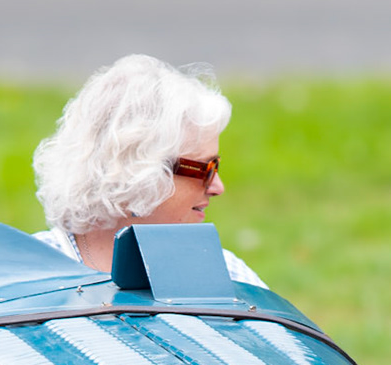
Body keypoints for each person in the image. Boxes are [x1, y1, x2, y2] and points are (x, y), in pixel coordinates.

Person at [31, 55, 264, 286]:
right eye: (205, 169)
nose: (218, 187)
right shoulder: (29, 273)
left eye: (216, 165)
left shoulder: (226, 275)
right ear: (135, 171)